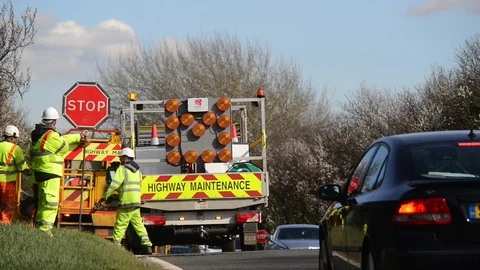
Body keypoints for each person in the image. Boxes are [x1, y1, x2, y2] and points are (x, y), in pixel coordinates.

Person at [29, 107, 88, 236]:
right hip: (51, 172)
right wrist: (78, 141)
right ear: (54, 122)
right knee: (50, 203)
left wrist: (78, 136)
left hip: (39, 172)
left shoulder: (38, 133)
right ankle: (44, 232)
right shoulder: (52, 135)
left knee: (42, 202)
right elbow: (63, 146)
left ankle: (38, 230)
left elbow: (61, 139)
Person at [98, 147, 153, 254]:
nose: (120, 160)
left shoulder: (122, 169)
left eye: (121, 158)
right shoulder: (138, 172)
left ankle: (116, 248)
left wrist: (105, 197)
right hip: (136, 203)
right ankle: (147, 245)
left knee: (120, 225)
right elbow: (140, 187)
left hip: (125, 203)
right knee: (139, 225)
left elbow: (114, 185)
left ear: (126, 158)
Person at [0, 125, 27, 225]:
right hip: (7, 183)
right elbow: (21, 167)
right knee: (7, 205)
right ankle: (4, 226)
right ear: (12, 137)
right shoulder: (15, 149)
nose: (15, 140)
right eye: (15, 138)